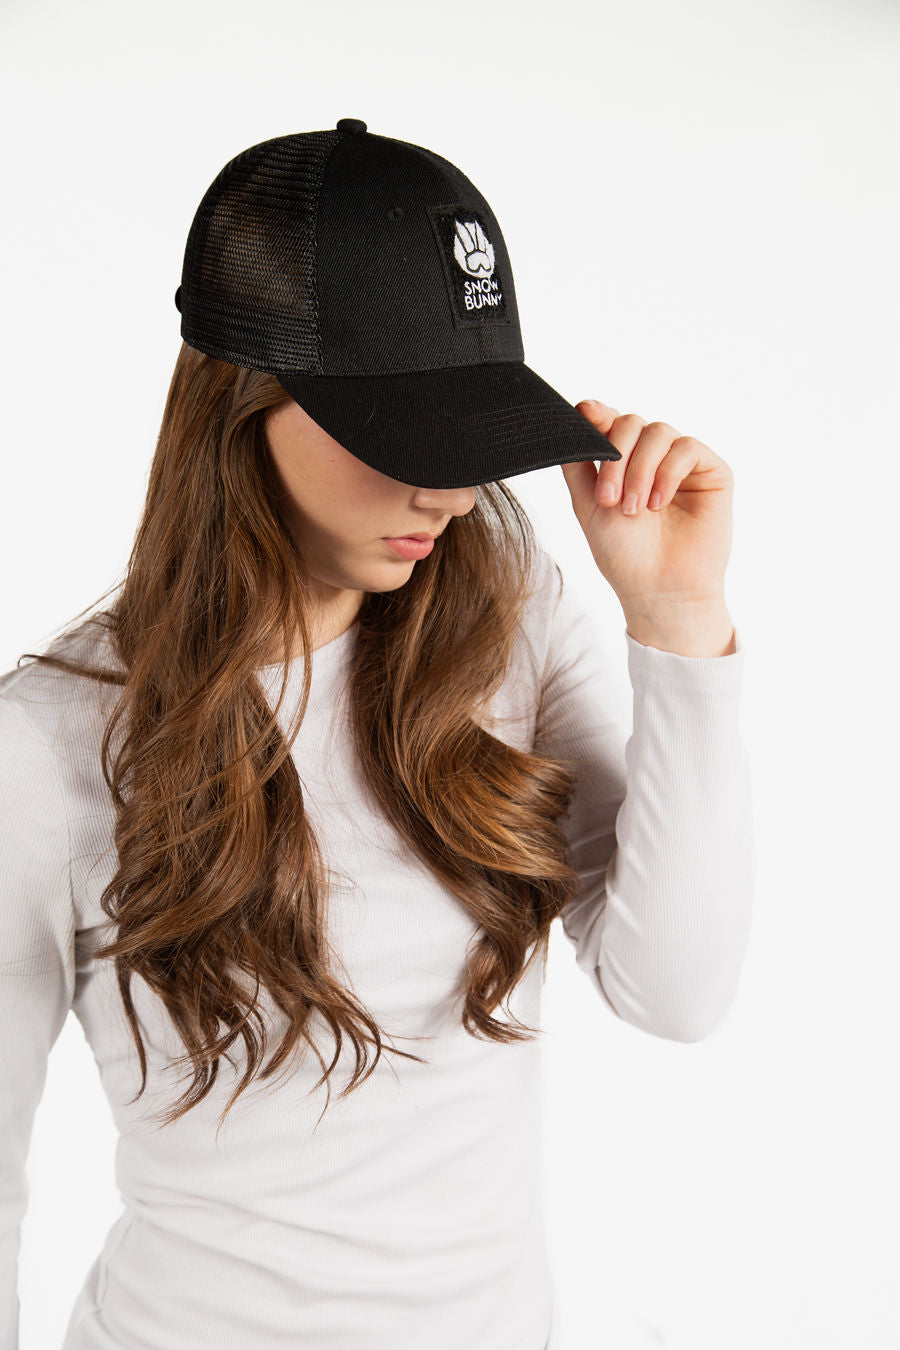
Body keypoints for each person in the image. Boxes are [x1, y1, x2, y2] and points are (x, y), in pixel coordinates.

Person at [0, 118, 754, 1350]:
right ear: (242, 403)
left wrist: (677, 624)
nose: (447, 493)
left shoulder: (512, 631)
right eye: (405, 434)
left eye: (469, 435)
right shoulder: (45, 744)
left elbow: (676, 992)